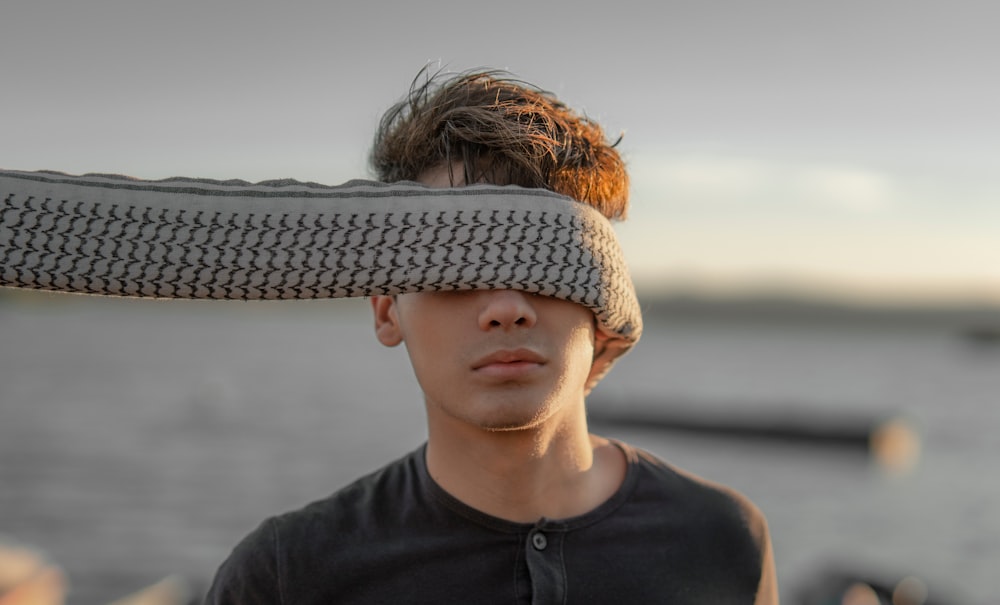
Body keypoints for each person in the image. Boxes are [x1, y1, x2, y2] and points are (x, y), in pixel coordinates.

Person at [204, 68, 779, 604]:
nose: (506, 308)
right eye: (454, 267)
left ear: (603, 304)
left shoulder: (723, 540)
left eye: (547, 265)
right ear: (387, 311)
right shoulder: (288, 577)